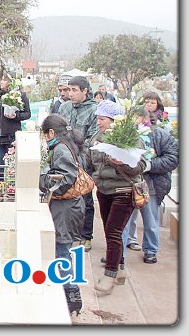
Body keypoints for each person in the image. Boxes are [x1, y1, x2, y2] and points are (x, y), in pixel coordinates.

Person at [85, 100, 146, 295]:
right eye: (98, 118)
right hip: (103, 190)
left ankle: (109, 274)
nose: (98, 122)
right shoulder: (97, 136)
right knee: (110, 231)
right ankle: (120, 269)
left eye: (102, 119)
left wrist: (122, 163)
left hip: (124, 190)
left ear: (114, 120)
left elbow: (140, 166)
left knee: (113, 231)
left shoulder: (130, 137)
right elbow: (90, 159)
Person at [39, 114, 85, 315]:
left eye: (45, 135)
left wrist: (41, 180)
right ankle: (69, 295)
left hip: (66, 209)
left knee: (62, 253)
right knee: (63, 251)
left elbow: (63, 180)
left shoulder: (60, 149)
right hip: (70, 208)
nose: (45, 139)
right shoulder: (69, 145)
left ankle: (72, 296)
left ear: (51, 132)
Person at [122, 107, 178, 264]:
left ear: (145, 118)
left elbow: (172, 158)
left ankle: (151, 250)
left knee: (150, 219)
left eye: (137, 118)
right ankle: (119, 252)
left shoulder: (161, 135)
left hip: (150, 185)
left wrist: (149, 165)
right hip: (128, 183)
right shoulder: (125, 133)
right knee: (123, 220)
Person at [58, 76, 98, 251]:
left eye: (75, 90)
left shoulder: (94, 111)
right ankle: (69, 233)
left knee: (85, 199)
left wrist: (80, 159)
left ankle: (85, 236)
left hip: (84, 161)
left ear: (85, 91)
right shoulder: (64, 107)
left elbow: (92, 139)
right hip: (63, 158)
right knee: (66, 197)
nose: (70, 94)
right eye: (69, 90)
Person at [0, 75, 31, 180]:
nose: (2, 82)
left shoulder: (20, 96)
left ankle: (12, 190)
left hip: (12, 138)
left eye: (4, 80)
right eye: (1, 79)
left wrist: (16, 116)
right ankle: (0, 190)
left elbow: (27, 114)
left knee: (13, 167)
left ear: (12, 82)